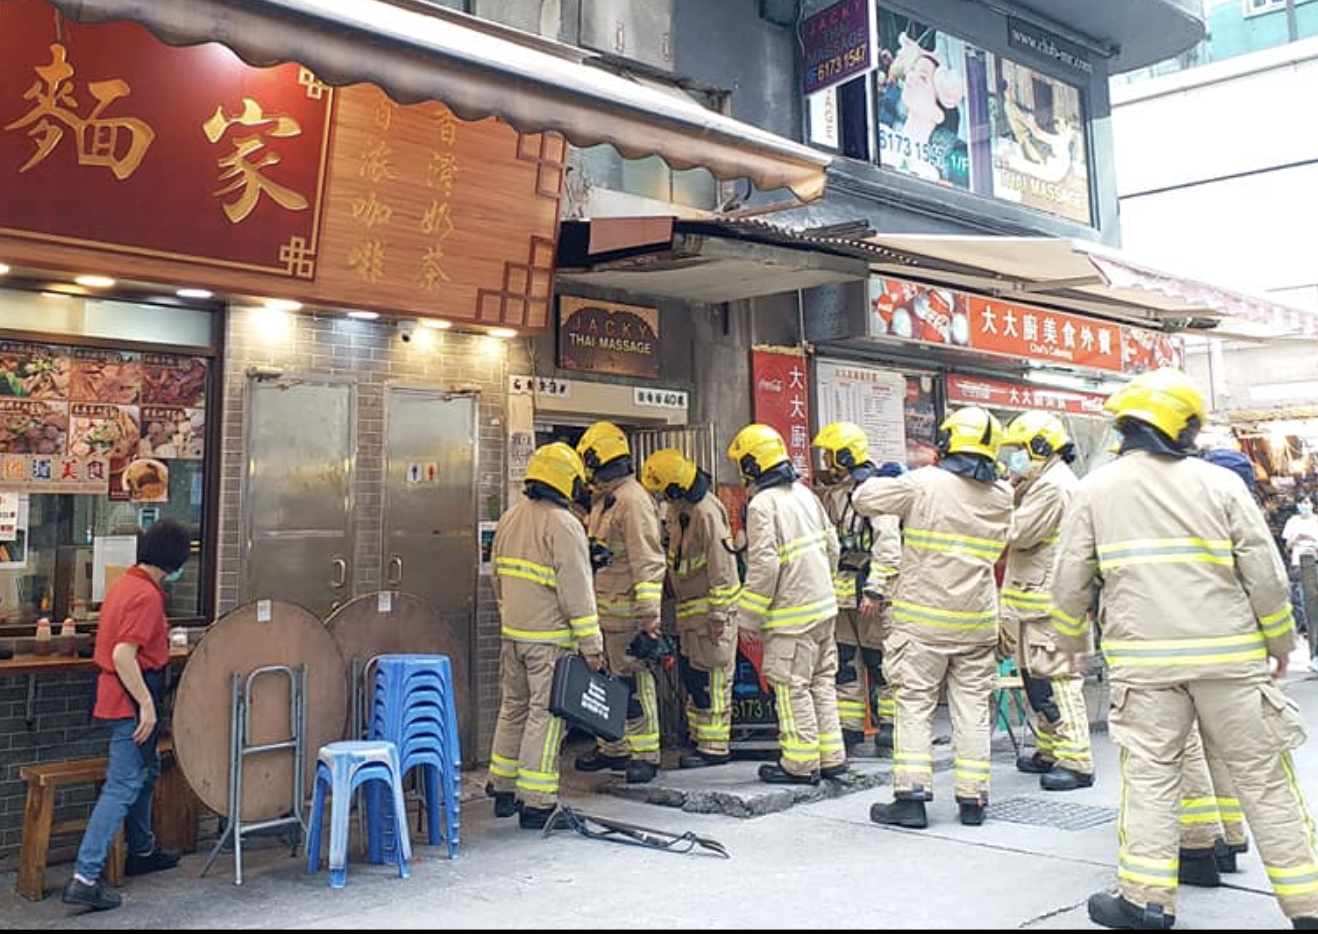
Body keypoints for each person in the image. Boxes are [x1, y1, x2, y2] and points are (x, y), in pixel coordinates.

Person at [1049, 368, 1318, 930]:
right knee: (1266, 781)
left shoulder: (1095, 489)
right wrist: (1279, 642)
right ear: (1183, 427)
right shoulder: (1219, 484)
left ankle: (1146, 902)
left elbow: (1070, 579)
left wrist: (1070, 645)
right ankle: (1308, 906)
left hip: (1145, 669)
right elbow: (1265, 574)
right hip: (1230, 664)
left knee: (1150, 778)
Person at [853, 406, 1013, 829]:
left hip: (923, 624)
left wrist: (887, 475)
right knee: (973, 710)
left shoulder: (925, 483)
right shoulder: (1002, 496)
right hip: (977, 620)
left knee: (914, 706)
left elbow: (864, 499)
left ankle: (911, 797)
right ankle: (974, 800)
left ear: (948, 443)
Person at [63, 519, 193, 911]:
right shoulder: (147, 596)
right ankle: (85, 877)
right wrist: (148, 706)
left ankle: (142, 849)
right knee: (122, 784)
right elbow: (123, 654)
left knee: (147, 770)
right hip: (129, 698)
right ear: (175, 559)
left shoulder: (126, 583)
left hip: (116, 693)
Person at [486, 443, 604, 830]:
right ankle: (536, 802)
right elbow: (576, 589)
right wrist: (592, 645)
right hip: (549, 639)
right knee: (545, 716)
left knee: (513, 708)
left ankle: (502, 786)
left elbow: (497, 577)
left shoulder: (510, 517)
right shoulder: (564, 524)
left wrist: (510, 618)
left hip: (513, 636)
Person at [726, 423, 845, 785]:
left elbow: (764, 565)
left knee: (792, 689)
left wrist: (748, 616)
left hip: (791, 619)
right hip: (824, 609)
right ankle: (832, 757)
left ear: (752, 464)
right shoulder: (805, 495)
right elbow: (833, 547)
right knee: (821, 684)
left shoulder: (763, 505)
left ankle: (799, 763)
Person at [997, 411, 1092, 792]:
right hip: (1034, 598)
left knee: (1060, 679)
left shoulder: (1053, 486)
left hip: (1049, 599)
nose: (1013, 459)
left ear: (1039, 447)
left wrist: (1002, 493)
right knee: (1037, 677)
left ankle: (1076, 759)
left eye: (1019, 450)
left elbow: (1017, 533)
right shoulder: (1040, 482)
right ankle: (1049, 749)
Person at [573, 422, 667, 785]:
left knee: (633, 685)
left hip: (628, 613)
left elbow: (648, 559)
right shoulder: (605, 500)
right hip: (604, 611)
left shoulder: (633, 500)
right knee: (607, 683)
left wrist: (648, 615)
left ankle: (645, 753)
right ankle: (613, 747)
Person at [640, 448, 739, 769]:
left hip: (710, 614)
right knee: (695, 677)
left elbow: (722, 568)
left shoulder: (707, 512)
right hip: (688, 613)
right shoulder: (678, 509)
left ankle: (714, 747)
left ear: (675, 487)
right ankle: (700, 739)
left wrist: (718, 616)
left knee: (713, 679)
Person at [810, 421, 903, 753]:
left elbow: (888, 544)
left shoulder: (874, 491)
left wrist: (875, 589)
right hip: (843, 590)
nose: (825, 460)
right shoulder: (836, 493)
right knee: (845, 659)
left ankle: (891, 725)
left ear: (844, 455)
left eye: (829, 454)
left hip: (870, 589)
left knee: (880, 659)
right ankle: (848, 726)